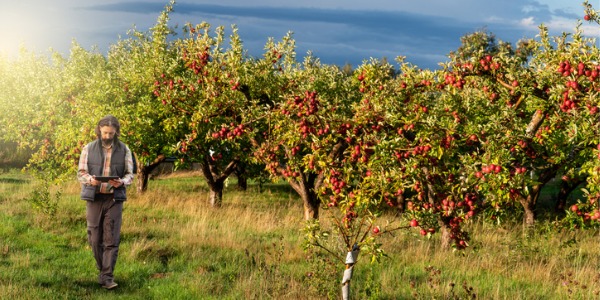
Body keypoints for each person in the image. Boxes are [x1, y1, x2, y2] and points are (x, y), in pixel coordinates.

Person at [77, 115, 134, 290]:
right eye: (105, 132)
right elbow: (81, 173)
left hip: (114, 199)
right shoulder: (88, 148)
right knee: (95, 238)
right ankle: (103, 271)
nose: (108, 136)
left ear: (116, 131)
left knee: (111, 239)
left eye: (111, 133)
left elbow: (130, 174)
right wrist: (90, 180)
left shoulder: (124, 150)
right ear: (99, 130)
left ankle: (107, 277)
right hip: (94, 197)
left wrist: (122, 182)